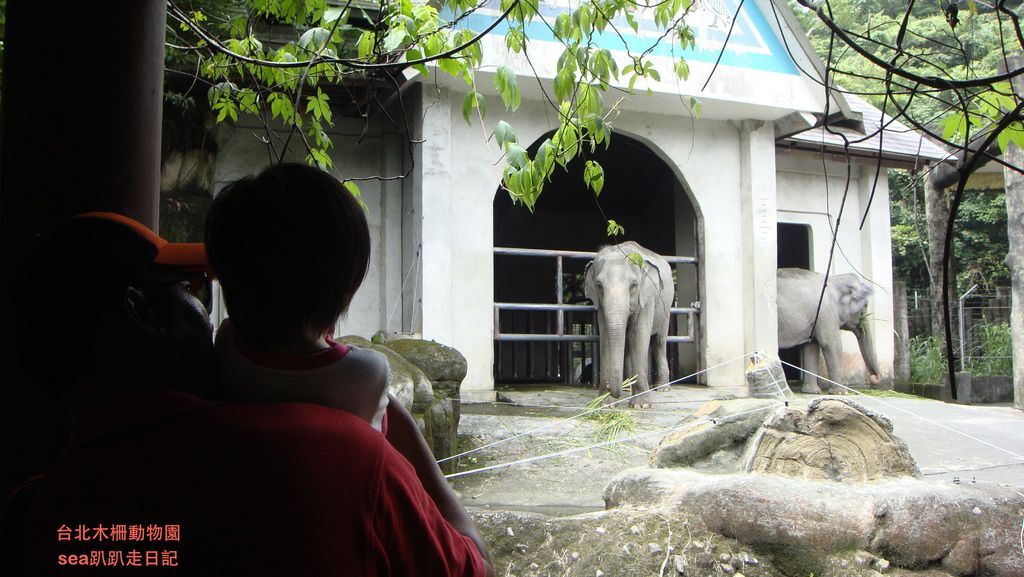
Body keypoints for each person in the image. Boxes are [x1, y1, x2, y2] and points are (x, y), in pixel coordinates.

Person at [7, 212, 491, 576]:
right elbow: (470, 565)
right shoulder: (338, 453)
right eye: (191, 292)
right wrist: (393, 423)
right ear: (140, 311)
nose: (214, 317)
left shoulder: (32, 517)